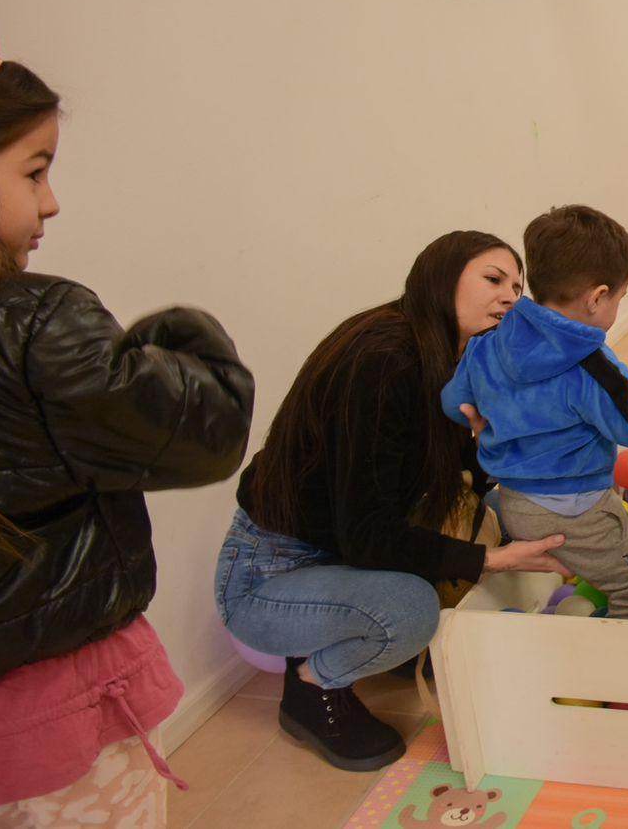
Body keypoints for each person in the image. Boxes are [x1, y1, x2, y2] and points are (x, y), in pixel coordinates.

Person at [0, 51, 255, 824]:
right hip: (56, 720)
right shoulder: (36, 322)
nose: (52, 200)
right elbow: (210, 432)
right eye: (34, 171)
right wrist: (177, 334)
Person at [218, 230, 569, 773]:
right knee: (412, 611)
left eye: (516, 287)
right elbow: (366, 531)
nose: (509, 297)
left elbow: (454, 476)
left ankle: (360, 628)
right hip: (268, 577)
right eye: (494, 279)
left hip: (338, 550)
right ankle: (311, 685)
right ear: (441, 276)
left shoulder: (446, 354)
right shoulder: (384, 359)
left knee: (492, 518)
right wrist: (489, 561)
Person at [442, 205, 628, 622]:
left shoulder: (488, 341)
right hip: (578, 510)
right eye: (620, 298)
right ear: (597, 298)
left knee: (588, 558)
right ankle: (621, 679)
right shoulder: (589, 366)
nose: (617, 307)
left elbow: (453, 403)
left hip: (515, 504)